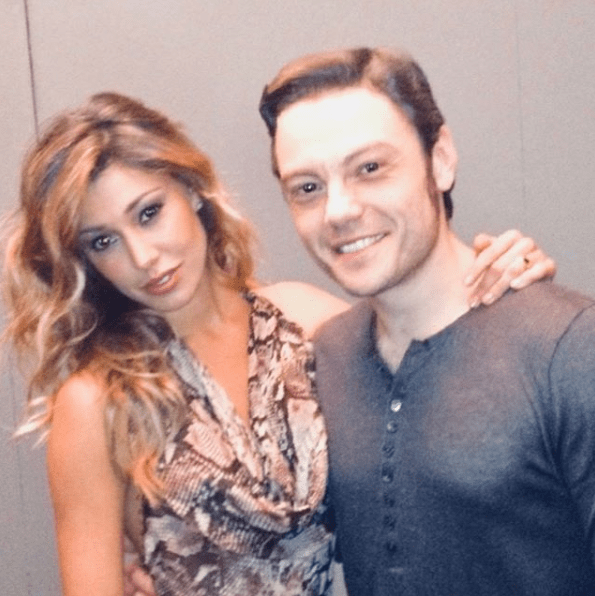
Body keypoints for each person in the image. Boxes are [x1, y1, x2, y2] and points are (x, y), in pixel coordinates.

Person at [4, 91, 552, 596]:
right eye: (104, 241)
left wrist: (510, 277)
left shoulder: (308, 321)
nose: (143, 257)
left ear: (191, 189)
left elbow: (451, 372)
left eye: (149, 213)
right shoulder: (97, 402)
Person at [257, 46, 595, 595]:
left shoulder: (570, 349)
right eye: (307, 188)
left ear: (440, 159)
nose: (338, 211)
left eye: (370, 168)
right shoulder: (325, 359)